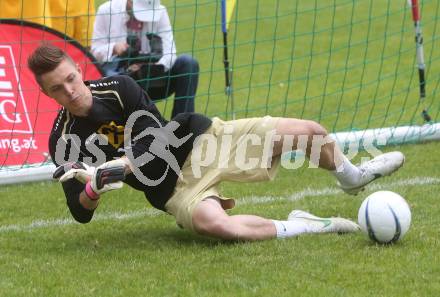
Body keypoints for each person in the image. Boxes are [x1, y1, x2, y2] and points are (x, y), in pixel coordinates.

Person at [28, 44, 406, 241]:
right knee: (217, 226)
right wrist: (93, 188)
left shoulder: (119, 87)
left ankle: (352, 177)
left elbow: (160, 138)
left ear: (79, 70)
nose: (70, 91)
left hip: (197, 140)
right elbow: (79, 213)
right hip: (169, 189)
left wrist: (122, 165)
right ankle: (312, 225)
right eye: (58, 89)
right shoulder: (63, 139)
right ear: (47, 94)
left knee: (310, 133)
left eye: (71, 79)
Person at [91, 0, 197, 118]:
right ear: (129, 2)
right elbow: (94, 52)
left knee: (188, 63)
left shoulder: (160, 12)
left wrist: (151, 67)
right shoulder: (106, 11)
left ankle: (183, 127)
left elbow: (170, 53)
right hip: (119, 83)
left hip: (151, 78)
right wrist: (114, 48)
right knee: (117, 78)